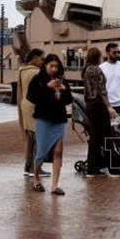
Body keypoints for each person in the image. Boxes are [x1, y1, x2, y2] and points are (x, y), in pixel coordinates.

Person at [26, 54, 72, 195]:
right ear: (45, 66)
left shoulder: (61, 79)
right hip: (43, 119)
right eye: (51, 66)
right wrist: (47, 87)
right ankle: (36, 179)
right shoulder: (38, 79)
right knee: (41, 152)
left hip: (59, 119)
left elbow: (68, 99)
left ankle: (55, 185)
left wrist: (63, 89)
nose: (54, 69)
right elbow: (31, 97)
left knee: (58, 152)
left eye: (56, 66)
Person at [82, 47, 118, 177]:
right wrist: (109, 106)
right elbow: (101, 90)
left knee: (94, 137)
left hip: (90, 105)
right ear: (97, 57)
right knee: (106, 135)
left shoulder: (85, 70)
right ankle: (112, 166)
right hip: (99, 105)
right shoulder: (96, 70)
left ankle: (93, 167)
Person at [17, 48, 50, 178]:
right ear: (35, 58)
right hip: (36, 107)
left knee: (30, 138)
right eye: (42, 58)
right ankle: (36, 168)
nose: (43, 61)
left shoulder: (22, 71)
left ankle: (28, 166)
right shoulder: (37, 72)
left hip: (25, 105)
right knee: (38, 138)